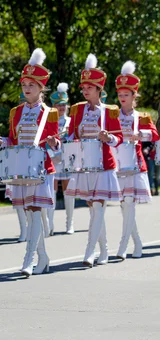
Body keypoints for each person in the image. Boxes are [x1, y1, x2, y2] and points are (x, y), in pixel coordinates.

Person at [0, 49, 59, 277]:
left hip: (40, 168)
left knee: (35, 210)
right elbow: (12, 139)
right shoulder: (15, 112)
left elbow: (56, 144)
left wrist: (52, 142)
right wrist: (0, 140)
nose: (26, 88)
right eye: (24, 84)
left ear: (41, 87)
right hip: (20, 167)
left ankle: (28, 259)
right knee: (29, 212)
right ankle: (44, 257)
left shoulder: (50, 113)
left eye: (31, 84)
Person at [65, 54, 122, 267]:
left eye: (89, 87)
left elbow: (119, 139)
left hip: (103, 165)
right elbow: (71, 135)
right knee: (93, 207)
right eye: (83, 87)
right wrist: (65, 140)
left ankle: (89, 252)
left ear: (99, 89)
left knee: (98, 207)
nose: (85, 90)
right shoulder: (77, 109)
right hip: (83, 166)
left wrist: (109, 137)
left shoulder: (110, 111)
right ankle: (105, 250)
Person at [114, 61, 159, 260]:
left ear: (134, 96)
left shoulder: (142, 117)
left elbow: (155, 135)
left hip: (134, 165)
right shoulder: (112, 116)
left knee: (129, 204)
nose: (122, 98)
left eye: (126, 95)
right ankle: (137, 242)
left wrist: (139, 134)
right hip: (117, 165)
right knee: (124, 206)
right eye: (120, 95)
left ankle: (123, 245)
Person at [49, 82, 75, 235]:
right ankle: (50, 223)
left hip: (68, 158)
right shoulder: (49, 121)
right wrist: (53, 156)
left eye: (63, 105)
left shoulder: (71, 121)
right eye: (58, 105)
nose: (61, 108)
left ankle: (69, 223)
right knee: (52, 188)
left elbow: (74, 139)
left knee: (68, 189)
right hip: (53, 158)